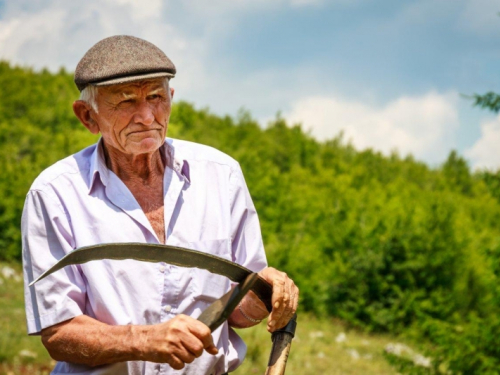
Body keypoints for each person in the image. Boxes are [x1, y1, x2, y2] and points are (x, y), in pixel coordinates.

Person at [22, 35, 298, 375]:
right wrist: (144, 340)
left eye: (156, 97)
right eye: (125, 102)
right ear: (88, 117)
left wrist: (266, 294)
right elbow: (58, 332)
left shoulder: (221, 175)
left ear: (171, 98)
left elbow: (239, 314)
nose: (147, 115)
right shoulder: (54, 193)